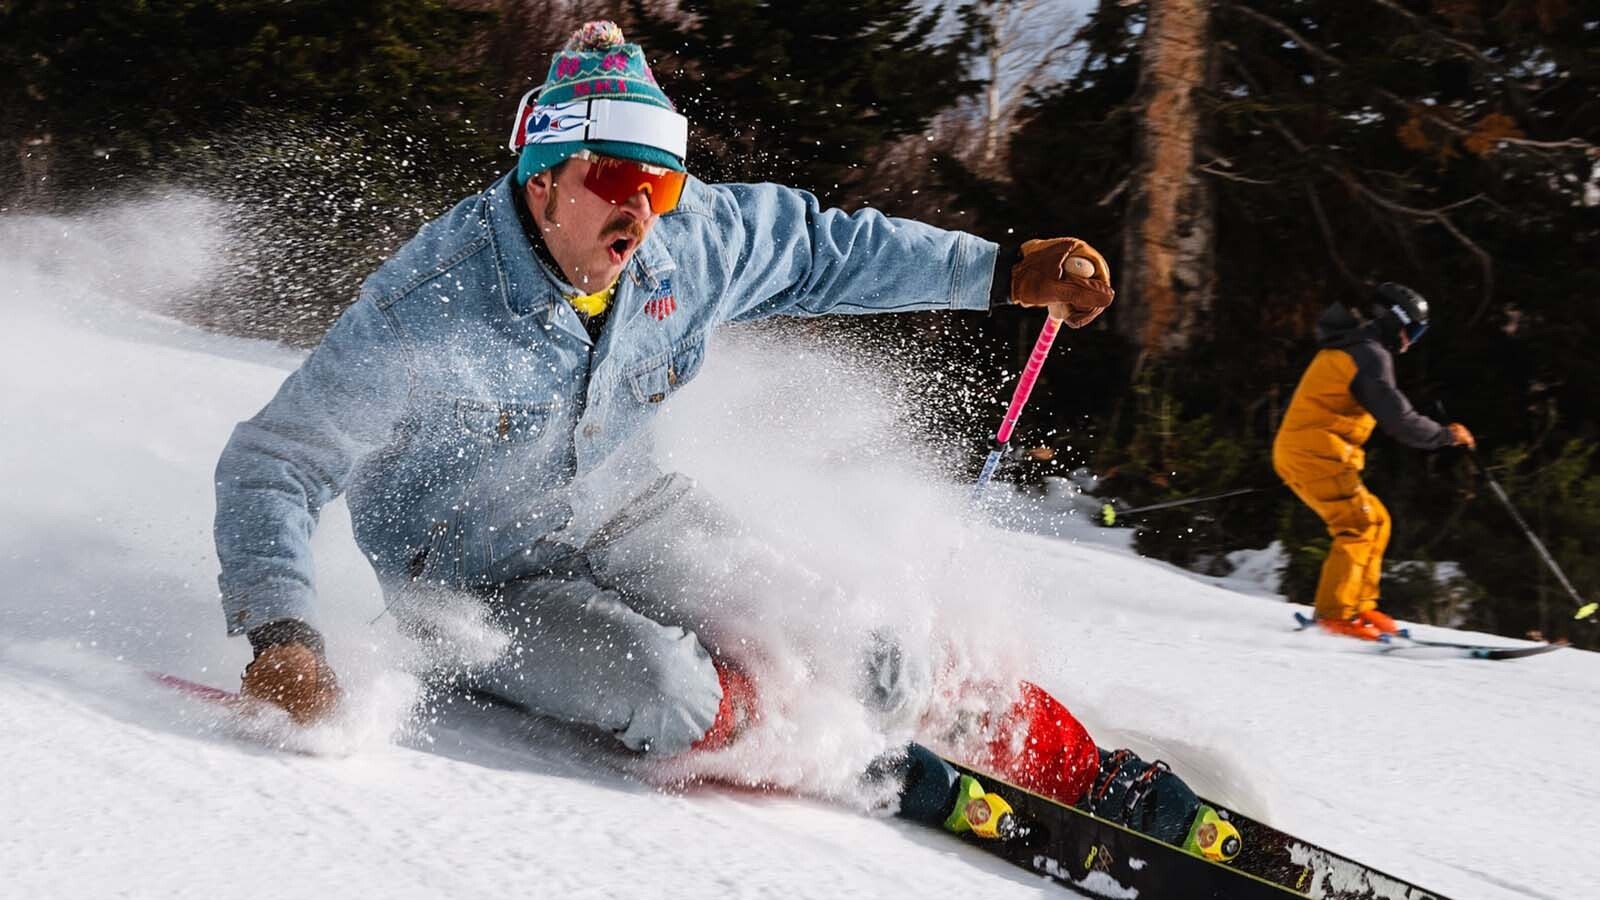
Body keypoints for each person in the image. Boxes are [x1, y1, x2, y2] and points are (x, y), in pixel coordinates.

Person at [216, 20, 1235, 853]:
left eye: (661, 187)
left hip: (634, 514)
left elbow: (830, 250)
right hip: (476, 577)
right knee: (670, 691)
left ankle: (1087, 778)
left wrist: (1004, 270)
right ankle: (822, 745)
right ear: (542, 180)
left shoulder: (688, 241)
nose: (645, 217)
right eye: (618, 186)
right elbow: (277, 461)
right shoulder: (429, 310)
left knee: (870, 652)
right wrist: (282, 630)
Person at [1273, 283, 1475, 640]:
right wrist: (1446, 436)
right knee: (1358, 525)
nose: (1413, 340)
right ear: (1393, 321)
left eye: (1420, 333)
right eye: (1412, 330)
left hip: (1315, 451)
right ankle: (1335, 617)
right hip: (1316, 452)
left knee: (1376, 520)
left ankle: (1358, 606)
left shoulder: (1356, 347)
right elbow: (1399, 421)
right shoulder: (1368, 354)